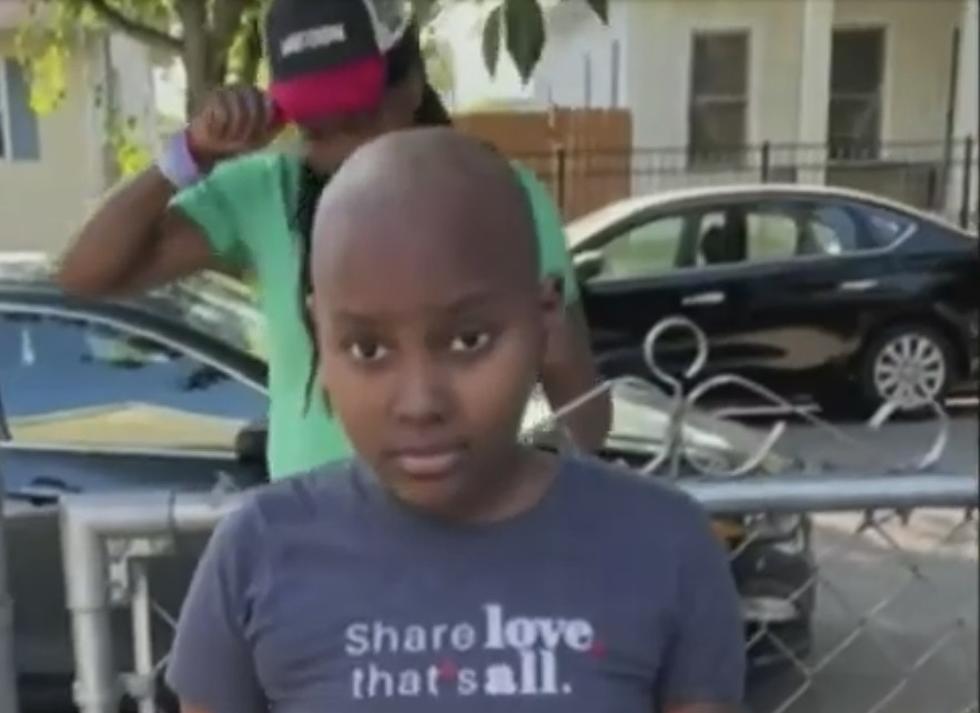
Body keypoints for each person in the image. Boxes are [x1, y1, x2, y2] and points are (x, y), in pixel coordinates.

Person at [166, 129, 745, 713]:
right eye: (368, 349)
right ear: (320, 335)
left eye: (469, 340)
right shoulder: (257, 554)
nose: (419, 402)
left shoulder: (662, 547)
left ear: (544, 318)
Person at [57, 0, 611, 480]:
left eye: (359, 123)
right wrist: (189, 155)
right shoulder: (268, 195)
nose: (347, 157)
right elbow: (84, 275)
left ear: (412, 84)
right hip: (316, 552)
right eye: (317, 132)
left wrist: (554, 367)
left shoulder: (502, 199)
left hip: (464, 549)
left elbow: (587, 421)